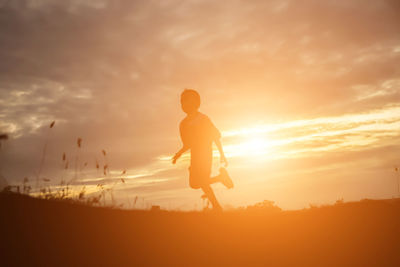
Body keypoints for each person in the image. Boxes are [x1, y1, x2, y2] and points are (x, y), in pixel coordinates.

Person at [172, 89, 233, 211]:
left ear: (196, 102)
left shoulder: (203, 119)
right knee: (194, 184)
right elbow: (187, 144)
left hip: (205, 154)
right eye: (182, 102)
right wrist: (179, 153)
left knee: (201, 181)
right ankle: (221, 178)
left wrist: (222, 154)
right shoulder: (183, 124)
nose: (184, 104)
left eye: (187, 101)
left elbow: (215, 136)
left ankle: (217, 207)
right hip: (195, 155)